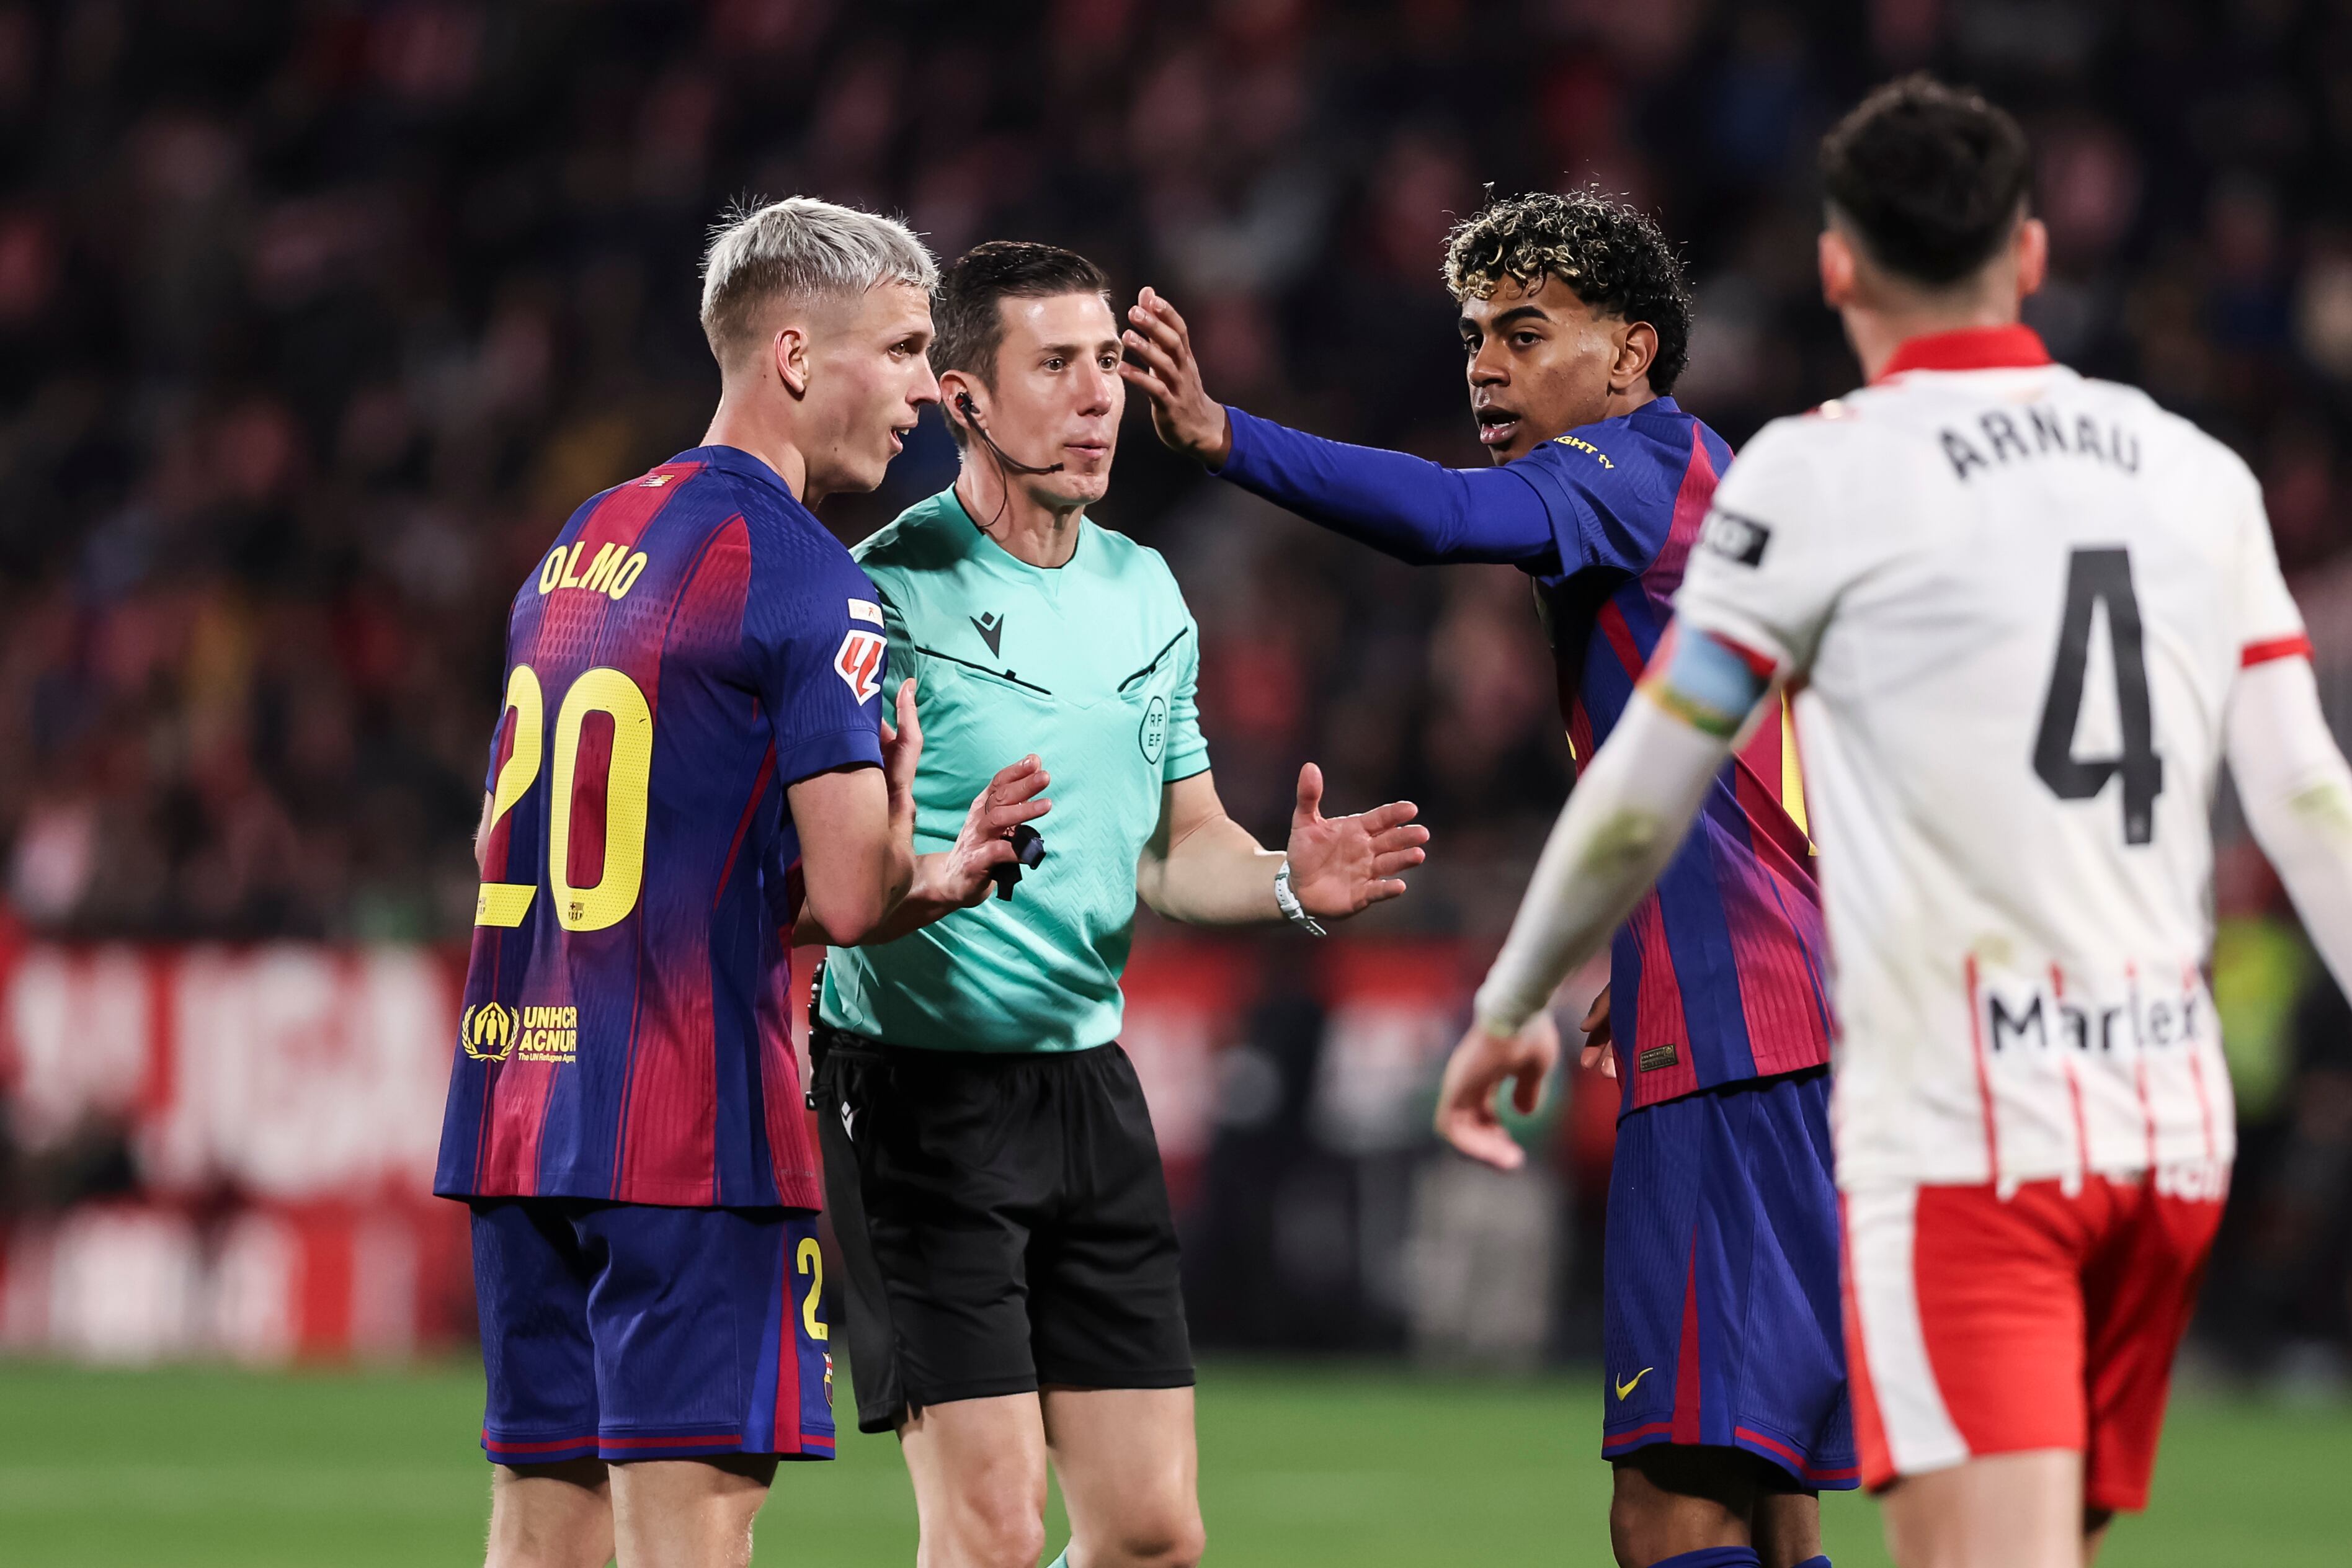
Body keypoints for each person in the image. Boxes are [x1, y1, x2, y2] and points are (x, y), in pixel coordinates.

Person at [1455, 76, 2352, 1568]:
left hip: (1984, 1107)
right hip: (2168, 1128)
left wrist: (1513, 995)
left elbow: (1652, 777)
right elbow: (2311, 797)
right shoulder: (2199, 475)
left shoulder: (1814, 473)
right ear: (2036, 256)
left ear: (1837, 267)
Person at [1123, 193, 1848, 1568]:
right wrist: (1645, 945)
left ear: (1633, 351)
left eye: (1528, 332)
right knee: (1763, 1494)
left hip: (1739, 1042)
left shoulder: (1631, 470)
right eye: (1474, 336)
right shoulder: (1709, 478)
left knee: (1671, 1507)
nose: (1486, 367)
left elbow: (1448, 515)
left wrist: (1226, 437)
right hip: (1767, 1011)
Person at [434, 197, 1048, 1568]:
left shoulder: (581, 544)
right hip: (690, 1128)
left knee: (540, 1537)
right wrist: (905, 838)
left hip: (523, 1106)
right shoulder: (806, 577)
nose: (923, 393)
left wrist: (923, 872)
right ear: (791, 353)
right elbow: (844, 900)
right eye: (898, 351)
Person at [811, 239, 1431, 1568]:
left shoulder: (1146, 590)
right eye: (1057, 366)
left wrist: (1282, 880)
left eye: (1108, 362)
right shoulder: (886, 594)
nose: (1100, 397)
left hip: (1087, 1086)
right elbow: (830, 879)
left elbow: (1175, 847)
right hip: (917, 1093)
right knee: (988, 1530)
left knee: (1151, 1532)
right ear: (966, 398)